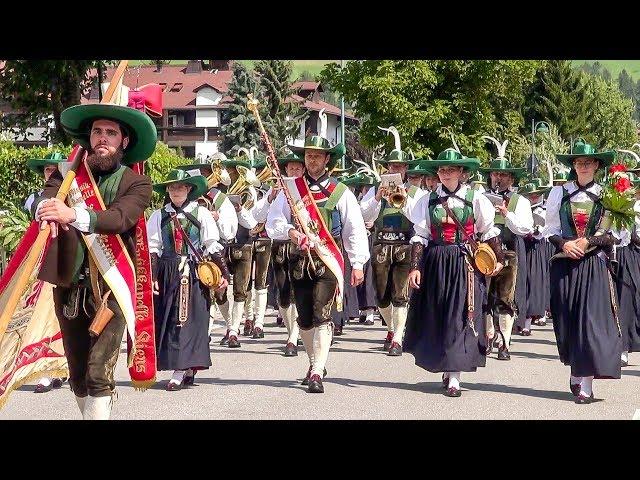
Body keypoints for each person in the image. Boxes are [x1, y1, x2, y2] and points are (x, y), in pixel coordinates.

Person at [33, 102, 157, 419]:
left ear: (124, 142)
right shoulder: (66, 175)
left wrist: (73, 214)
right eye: (97, 132)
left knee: (98, 373)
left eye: (111, 133)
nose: (103, 138)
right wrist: (46, 210)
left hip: (111, 288)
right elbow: (45, 202)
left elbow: (119, 218)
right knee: (77, 375)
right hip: (70, 287)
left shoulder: (137, 183)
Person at [266, 113, 369, 393]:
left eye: (318, 156)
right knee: (305, 317)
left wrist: (357, 263)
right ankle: (315, 363)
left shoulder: (341, 192)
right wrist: (291, 232)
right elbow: (273, 222)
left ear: (327, 160)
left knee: (323, 313)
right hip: (299, 260)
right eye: (309, 156)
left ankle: (315, 372)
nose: (312, 161)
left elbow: (354, 229)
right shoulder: (291, 190)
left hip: (328, 259)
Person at [402, 148, 503, 397]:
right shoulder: (427, 200)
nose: (446, 173)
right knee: (439, 313)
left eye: (451, 169)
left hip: (465, 262)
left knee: (460, 314)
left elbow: (488, 231)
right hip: (436, 261)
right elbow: (420, 235)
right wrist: (415, 267)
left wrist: (499, 259)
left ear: (461, 173)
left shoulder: (475, 199)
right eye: (442, 169)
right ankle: (446, 366)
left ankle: (455, 375)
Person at [544, 139, 622, 404]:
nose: (583, 166)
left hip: (593, 265)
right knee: (567, 321)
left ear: (597, 165)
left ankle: (587, 382)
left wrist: (588, 242)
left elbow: (615, 235)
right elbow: (550, 230)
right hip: (565, 264)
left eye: (588, 162)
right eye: (578, 162)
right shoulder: (559, 194)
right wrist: (565, 244)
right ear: (573, 166)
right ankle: (576, 369)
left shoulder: (608, 195)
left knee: (590, 323)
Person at [359, 127, 426, 355]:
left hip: (404, 247)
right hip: (380, 247)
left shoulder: (416, 193)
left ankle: (397, 338)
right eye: (392, 166)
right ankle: (392, 327)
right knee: (381, 296)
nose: (396, 169)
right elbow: (364, 216)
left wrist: (402, 198)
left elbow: (419, 219)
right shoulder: (375, 190)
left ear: (406, 169)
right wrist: (378, 197)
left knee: (400, 294)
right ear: (387, 168)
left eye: (399, 166)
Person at [478, 137, 533, 360]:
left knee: (505, 298)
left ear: (511, 178)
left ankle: (506, 342)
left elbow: (526, 228)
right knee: (485, 296)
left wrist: (506, 214)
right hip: (484, 252)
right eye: (495, 174)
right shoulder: (480, 197)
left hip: (509, 251)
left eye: (503, 175)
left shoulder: (520, 201)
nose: (498, 178)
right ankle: (489, 334)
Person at [25, 152, 70, 393]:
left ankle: (64, 367)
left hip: (64, 260)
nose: (50, 173)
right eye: (47, 170)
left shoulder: (72, 199)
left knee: (64, 316)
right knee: (43, 317)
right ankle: (45, 370)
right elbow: (36, 208)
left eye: (56, 169)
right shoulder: (35, 198)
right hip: (40, 263)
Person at [518, 179, 551, 335]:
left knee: (534, 283)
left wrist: (536, 230)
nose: (533, 198)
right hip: (522, 246)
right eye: (530, 195)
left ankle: (528, 322)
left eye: (536, 195)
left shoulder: (542, 211)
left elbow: (544, 230)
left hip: (536, 249)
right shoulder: (521, 210)